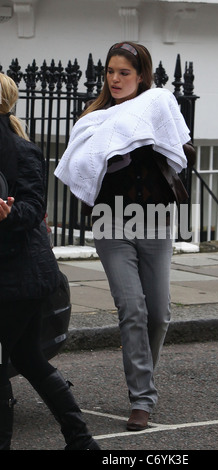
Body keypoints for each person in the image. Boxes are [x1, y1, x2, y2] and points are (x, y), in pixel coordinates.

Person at [55, 42, 196, 431]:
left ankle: (142, 381)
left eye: (124, 73)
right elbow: (81, 163)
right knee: (131, 308)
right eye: (111, 72)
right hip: (111, 222)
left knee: (159, 313)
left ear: (142, 76)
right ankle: (142, 399)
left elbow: (179, 147)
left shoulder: (157, 106)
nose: (115, 80)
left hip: (155, 220)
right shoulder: (96, 118)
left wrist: (150, 139)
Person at [0, 73, 100, 450]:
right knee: (27, 356)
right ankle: (81, 439)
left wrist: (8, 214)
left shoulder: (20, 151)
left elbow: (32, 209)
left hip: (19, 280)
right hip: (15, 280)